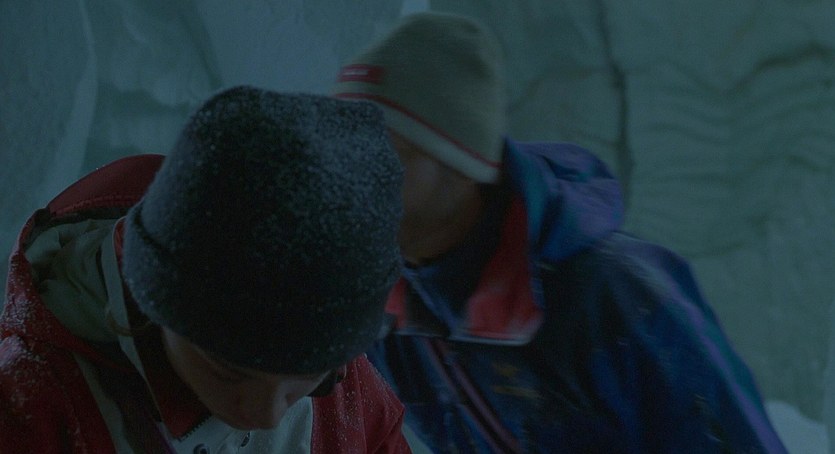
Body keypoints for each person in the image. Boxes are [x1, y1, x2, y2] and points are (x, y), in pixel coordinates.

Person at [332, 12, 788, 453]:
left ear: (462, 161)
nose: (355, 178)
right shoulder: (388, 307)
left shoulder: (618, 296)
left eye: (387, 153)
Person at [0, 86, 411, 453]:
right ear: (148, 298)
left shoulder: (333, 353)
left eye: (304, 378)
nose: (267, 415)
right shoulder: (29, 419)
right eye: (228, 372)